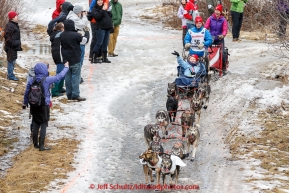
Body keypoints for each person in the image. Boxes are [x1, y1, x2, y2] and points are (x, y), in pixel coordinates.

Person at [23, 62, 69, 151]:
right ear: (45, 70)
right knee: (44, 124)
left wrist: (25, 103)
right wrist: (66, 67)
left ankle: (35, 144)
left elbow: (26, 92)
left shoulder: (32, 80)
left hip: (34, 105)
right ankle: (42, 146)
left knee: (36, 122)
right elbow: (59, 76)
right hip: (44, 106)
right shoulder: (47, 79)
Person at [60, 19, 89, 101]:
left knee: (68, 77)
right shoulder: (76, 35)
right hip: (75, 58)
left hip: (66, 59)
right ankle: (75, 94)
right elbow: (85, 41)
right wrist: (87, 33)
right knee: (76, 77)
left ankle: (69, 94)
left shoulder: (62, 35)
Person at [67, 5, 90, 84]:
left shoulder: (72, 17)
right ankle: (77, 77)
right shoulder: (74, 18)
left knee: (77, 61)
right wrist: (84, 16)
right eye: (81, 11)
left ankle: (77, 76)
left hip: (76, 41)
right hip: (78, 42)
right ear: (79, 12)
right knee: (78, 60)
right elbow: (83, 24)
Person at [204, 4, 228, 74]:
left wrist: (223, 35)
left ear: (220, 12)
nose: (217, 12)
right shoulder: (210, 18)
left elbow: (225, 29)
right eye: (216, 11)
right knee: (206, 52)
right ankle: (206, 66)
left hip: (219, 39)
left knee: (222, 53)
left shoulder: (223, 20)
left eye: (218, 11)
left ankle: (223, 68)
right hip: (210, 38)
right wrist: (205, 33)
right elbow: (206, 27)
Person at [4, 11, 22, 81]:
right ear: (12, 18)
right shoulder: (10, 25)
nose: (17, 17)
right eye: (16, 16)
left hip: (13, 46)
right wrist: (13, 43)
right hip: (11, 47)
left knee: (13, 60)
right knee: (11, 61)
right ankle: (10, 76)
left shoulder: (14, 24)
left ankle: (11, 74)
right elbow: (6, 36)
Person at [50, 23, 66, 97]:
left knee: (62, 71)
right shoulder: (60, 34)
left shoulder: (55, 34)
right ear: (61, 28)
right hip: (60, 55)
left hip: (57, 54)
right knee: (59, 72)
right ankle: (54, 90)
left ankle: (60, 87)